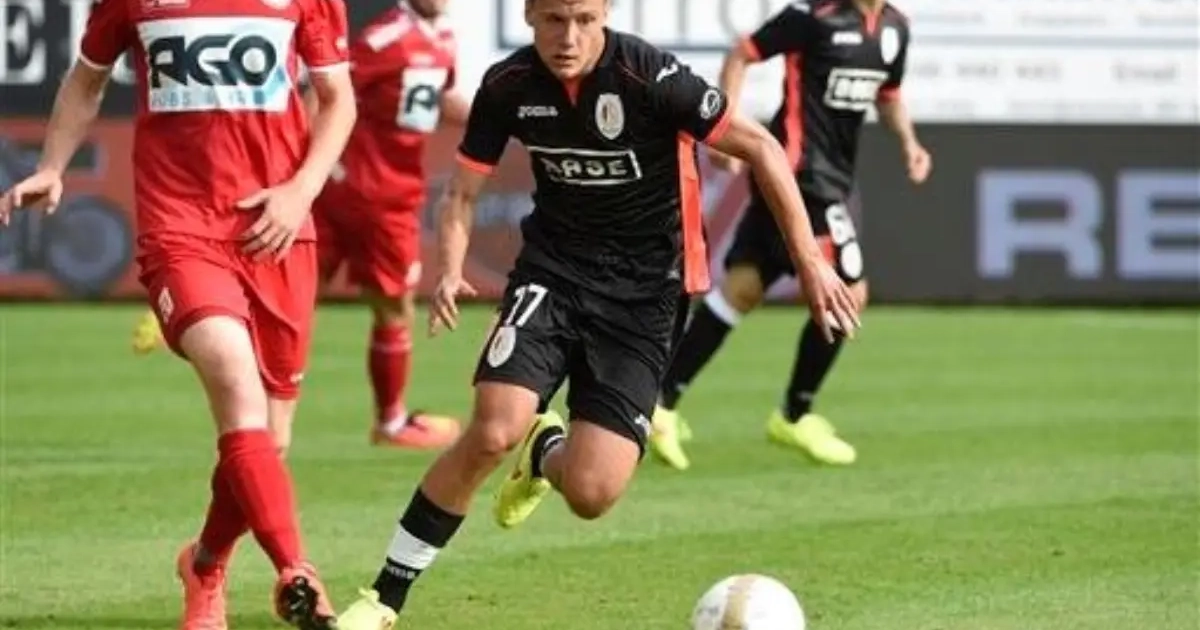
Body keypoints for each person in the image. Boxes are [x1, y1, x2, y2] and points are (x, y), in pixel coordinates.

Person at [335, 0, 861, 627]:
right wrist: (449, 267)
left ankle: (546, 452)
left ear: (605, 14)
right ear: (529, 15)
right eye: (554, 19)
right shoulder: (508, 85)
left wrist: (809, 261)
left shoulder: (650, 76)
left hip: (647, 298)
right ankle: (383, 597)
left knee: (590, 493)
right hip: (553, 276)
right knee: (493, 431)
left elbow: (763, 148)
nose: (569, 36)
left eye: (584, 19)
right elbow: (462, 192)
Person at [0, 0, 357, 626]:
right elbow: (86, 79)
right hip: (181, 228)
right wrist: (51, 166)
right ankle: (296, 570)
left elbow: (338, 100)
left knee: (269, 439)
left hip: (278, 229)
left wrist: (300, 192)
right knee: (234, 381)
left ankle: (204, 564)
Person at [649, 0, 932, 471]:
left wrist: (910, 143)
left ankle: (661, 404)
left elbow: (889, 95)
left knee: (743, 287)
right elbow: (741, 54)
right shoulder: (812, 15)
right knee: (849, 293)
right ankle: (795, 415)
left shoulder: (895, 28)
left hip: (819, 179)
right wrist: (722, 130)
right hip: (800, 176)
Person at [311, 0, 468, 450]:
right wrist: (307, 166)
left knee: (297, 294)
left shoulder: (442, 35)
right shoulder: (386, 38)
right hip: (373, 195)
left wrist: (497, 122)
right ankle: (391, 423)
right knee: (392, 308)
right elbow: (325, 91)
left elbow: (431, 99)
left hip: (379, 189)